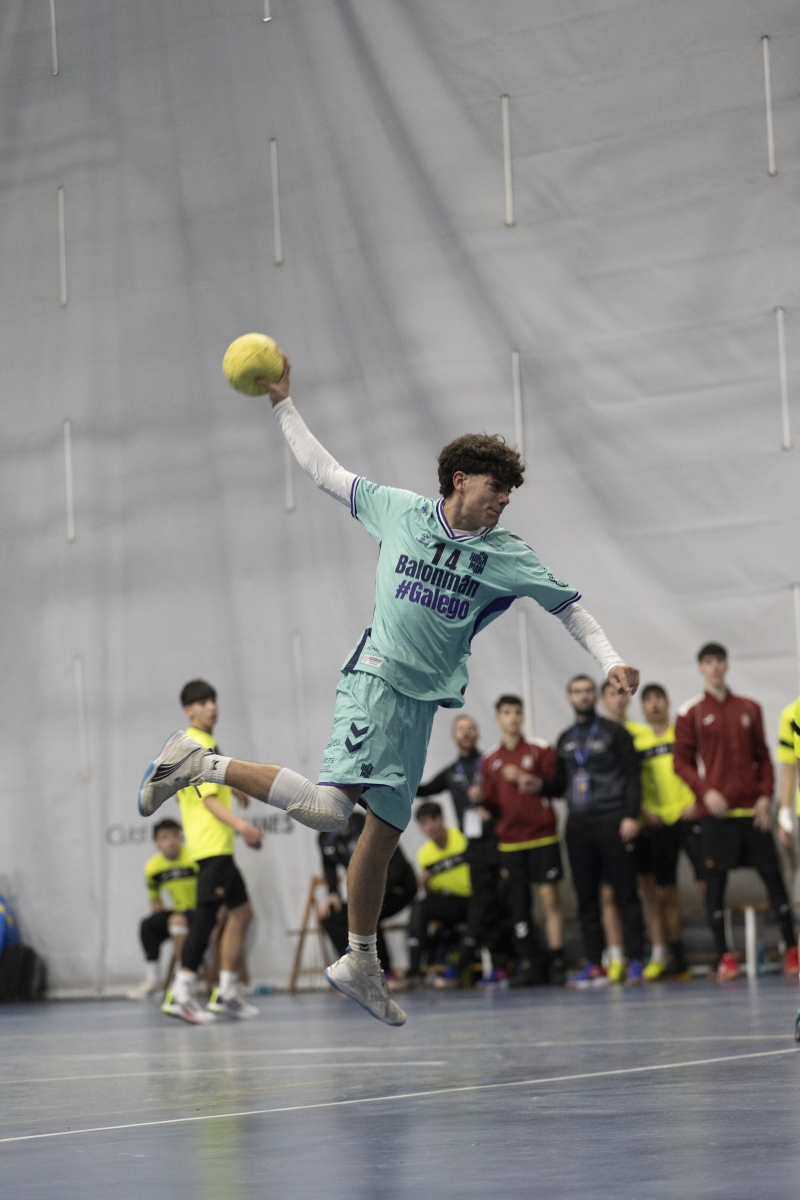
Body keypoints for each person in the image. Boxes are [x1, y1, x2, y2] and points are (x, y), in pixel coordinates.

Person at [138, 357, 639, 1026]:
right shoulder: (400, 510)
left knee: (381, 836)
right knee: (330, 811)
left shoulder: (506, 553)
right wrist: (283, 403)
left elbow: (569, 607)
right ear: (460, 480)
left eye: (510, 493)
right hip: (374, 680)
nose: (504, 500)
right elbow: (323, 470)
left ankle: (360, 961)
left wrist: (612, 660)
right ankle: (200, 763)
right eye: (497, 487)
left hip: (421, 706)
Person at [673, 643, 797, 981]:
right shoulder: (691, 712)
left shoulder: (749, 707)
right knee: (714, 884)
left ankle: (792, 949)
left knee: (773, 878)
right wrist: (705, 792)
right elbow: (680, 762)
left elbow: (764, 756)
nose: (714, 667)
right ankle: (724, 956)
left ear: (726, 665)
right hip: (717, 816)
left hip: (753, 813)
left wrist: (766, 796)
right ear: (700, 668)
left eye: (719, 661)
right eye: (708, 662)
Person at [161, 680, 264, 1023]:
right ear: (188, 709)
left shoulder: (195, 745)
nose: (211, 707)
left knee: (242, 912)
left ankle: (228, 991)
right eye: (202, 702)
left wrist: (232, 787)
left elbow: (190, 790)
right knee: (205, 918)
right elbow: (207, 801)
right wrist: (243, 827)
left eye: (213, 700)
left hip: (215, 847)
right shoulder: (199, 746)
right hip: (212, 846)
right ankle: (182, 992)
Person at [536, 675, 645, 986]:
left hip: (613, 820)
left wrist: (631, 815)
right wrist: (537, 785)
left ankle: (635, 960)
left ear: (596, 697)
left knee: (626, 893)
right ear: (569, 698)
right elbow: (559, 784)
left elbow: (633, 776)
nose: (582, 696)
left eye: (587, 691)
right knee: (586, 898)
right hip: (578, 826)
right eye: (576, 692)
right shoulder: (565, 739)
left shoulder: (615, 732)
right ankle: (594, 963)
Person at [480, 695, 563, 986]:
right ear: (498, 718)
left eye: (517, 712)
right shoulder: (490, 760)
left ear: (523, 716)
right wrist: (481, 801)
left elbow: (557, 786)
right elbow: (493, 806)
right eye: (507, 712)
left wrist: (529, 779)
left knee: (550, 899)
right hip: (510, 842)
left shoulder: (541, 749)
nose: (513, 717)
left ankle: (557, 961)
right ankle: (531, 963)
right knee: (519, 906)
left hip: (542, 836)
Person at [416, 715, 505, 981]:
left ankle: (504, 963)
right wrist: (394, 774)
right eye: (460, 729)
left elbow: (506, 798)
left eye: (470, 728)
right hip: (475, 848)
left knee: (502, 903)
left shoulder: (489, 764)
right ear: (454, 736)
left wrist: (489, 803)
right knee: (483, 905)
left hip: (500, 843)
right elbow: (423, 790)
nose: (465, 733)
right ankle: (496, 965)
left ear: (477, 733)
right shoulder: (451, 772)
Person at [636, 683, 706, 979]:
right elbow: (631, 780)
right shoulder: (637, 740)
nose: (654, 704)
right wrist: (643, 810)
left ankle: (722, 950)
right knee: (667, 893)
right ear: (642, 707)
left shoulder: (683, 732)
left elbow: (705, 766)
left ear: (667, 702)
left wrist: (699, 802)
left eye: (658, 699)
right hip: (658, 824)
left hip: (688, 816)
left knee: (707, 884)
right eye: (648, 700)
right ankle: (678, 958)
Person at [318, 811, 417, 976]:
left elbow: (397, 864)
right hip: (367, 892)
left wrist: (372, 888)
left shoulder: (371, 826)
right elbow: (328, 864)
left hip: (398, 888)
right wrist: (333, 892)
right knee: (331, 916)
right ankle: (356, 969)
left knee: (367, 912)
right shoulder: (325, 837)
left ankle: (383, 972)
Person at [396, 802, 473, 990]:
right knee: (420, 906)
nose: (430, 826)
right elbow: (436, 893)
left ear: (442, 819)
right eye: (424, 823)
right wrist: (427, 885)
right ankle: (415, 973)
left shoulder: (462, 837)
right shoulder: (425, 854)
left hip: (476, 899)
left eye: (434, 820)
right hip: (453, 902)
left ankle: (455, 973)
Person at [128, 819, 198, 1000]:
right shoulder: (152, 867)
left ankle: (184, 980)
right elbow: (155, 900)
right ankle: (152, 978)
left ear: (181, 838)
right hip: (179, 912)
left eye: (175, 836)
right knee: (148, 924)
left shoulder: (194, 857)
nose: (171, 841)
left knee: (177, 920)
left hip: (201, 910)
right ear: (157, 843)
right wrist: (162, 920)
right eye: (165, 837)